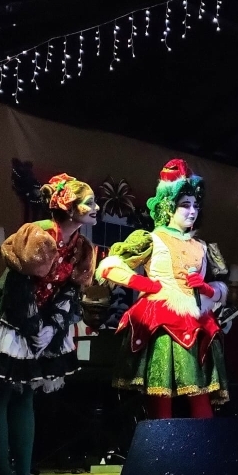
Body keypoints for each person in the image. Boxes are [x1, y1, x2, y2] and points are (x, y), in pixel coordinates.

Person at [0, 174, 97, 475]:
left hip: (42, 321)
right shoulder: (39, 235)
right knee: (1, 395)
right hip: (7, 317)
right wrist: (33, 329)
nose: (96, 209)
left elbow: (69, 293)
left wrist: (52, 328)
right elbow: (18, 286)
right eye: (89, 202)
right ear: (68, 207)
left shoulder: (80, 247)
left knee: (26, 397)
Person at [96, 159, 229, 419]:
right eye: (185, 205)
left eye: (195, 206)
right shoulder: (151, 239)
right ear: (169, 207)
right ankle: (159, 442)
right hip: (162, 320)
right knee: (161, 389)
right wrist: (143, 283)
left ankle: (206, 442)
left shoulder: (203, 247)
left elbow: (222, 288)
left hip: (196, 320)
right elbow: (110, 266)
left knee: (200, 392)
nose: (192, 211)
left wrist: (208, 290)